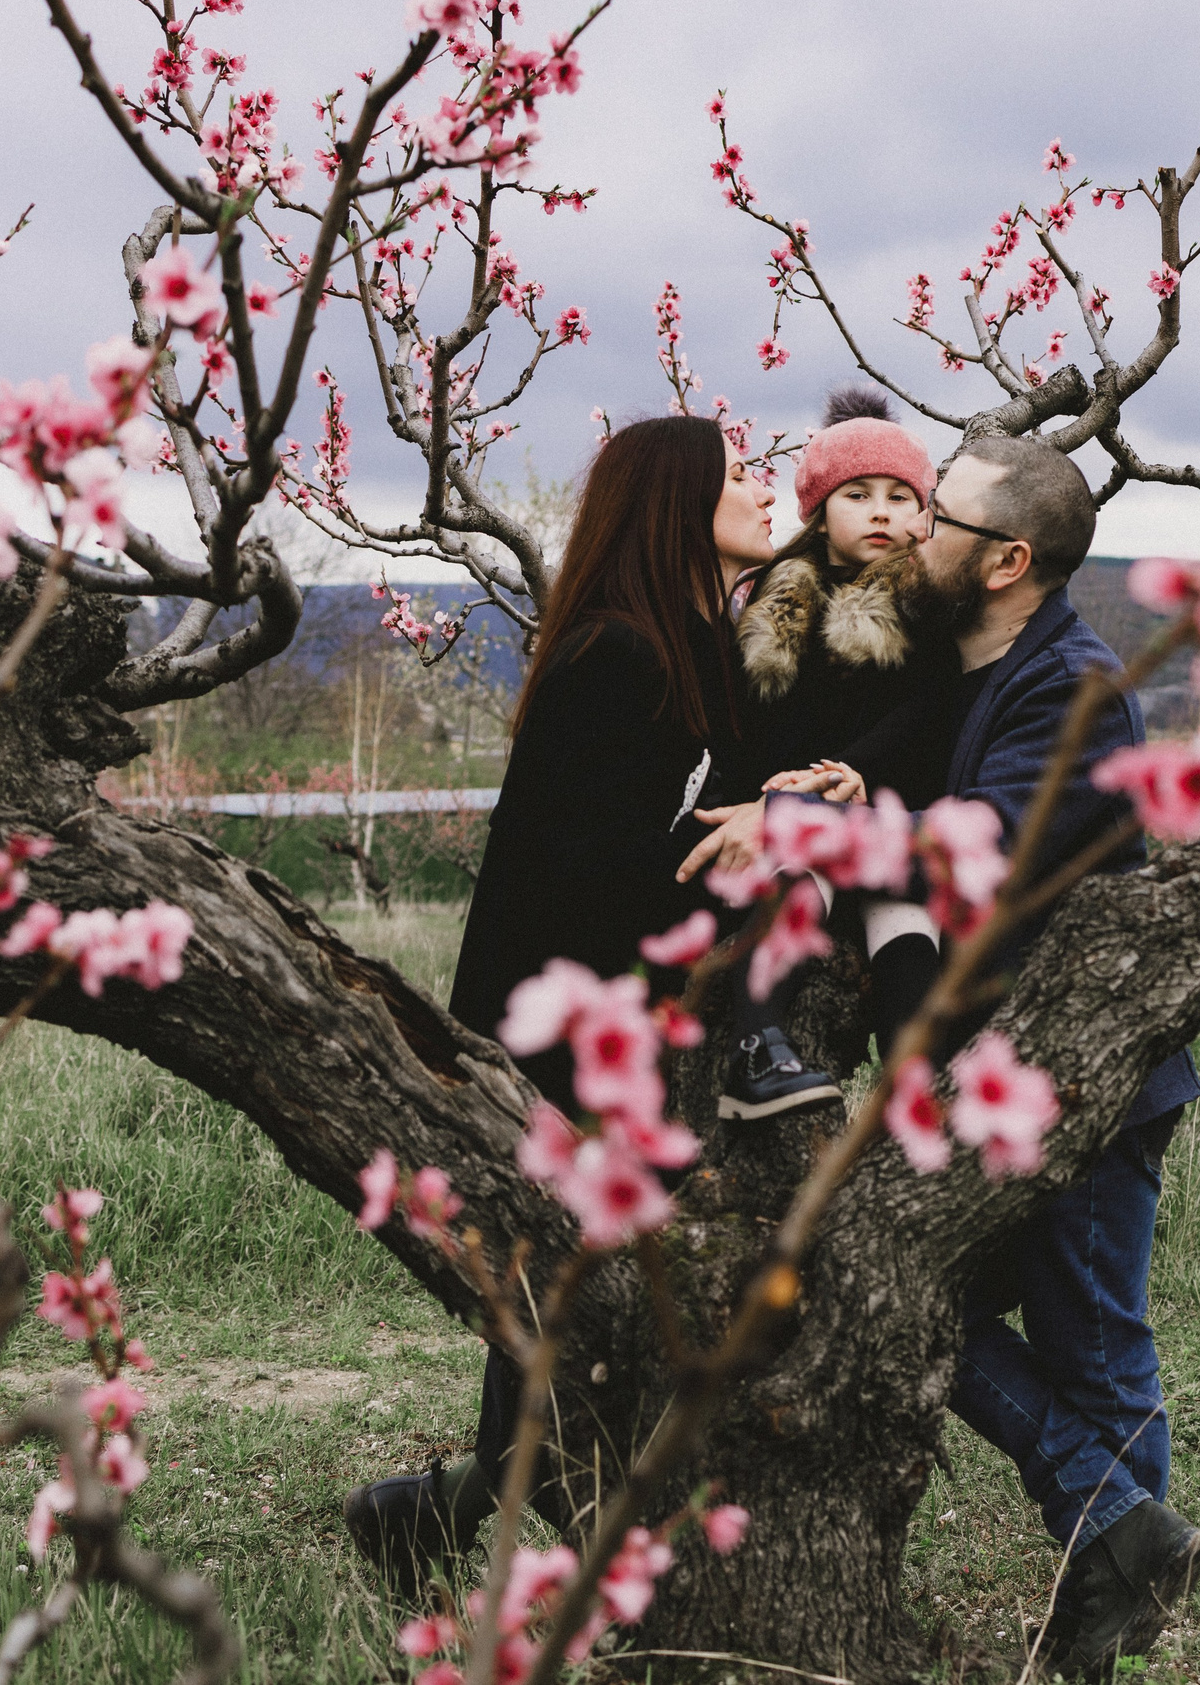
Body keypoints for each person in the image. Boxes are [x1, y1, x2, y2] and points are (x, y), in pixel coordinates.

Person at [342, 414, 799, 1593]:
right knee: (566, 1293)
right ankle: (458, 1515)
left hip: (626, 1031)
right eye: (739, 474)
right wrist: (731, 866)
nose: (766, 490)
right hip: (562, 1037)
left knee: (569, 1303)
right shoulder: (615, 658)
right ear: (676, 501)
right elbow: (586, 872)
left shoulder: (699, 650)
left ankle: (435, 1514)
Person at [918, 436, 1200, 1676]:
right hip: (1003, 1078)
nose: (914, 528)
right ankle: (1126, 1547)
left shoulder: (1075, 689)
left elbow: (980, 849)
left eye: (935, 514)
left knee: (1086, 1343)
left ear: (1005, 561)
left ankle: (1113, 1586)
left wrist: (819, 825)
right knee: (919, 1303)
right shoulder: (964, 664)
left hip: (1086, 1073)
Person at [694, 385, 962, 1102]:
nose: (880, 512)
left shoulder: (928, 599)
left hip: (882, 803)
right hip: (794, 807)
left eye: (900, 497)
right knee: (794, 887)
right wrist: (774, 790)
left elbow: (928, 709)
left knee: (904, 921)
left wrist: (860, 772)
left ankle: (913, 1086)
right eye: (857, 495)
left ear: (924, 512)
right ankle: (757, 1043)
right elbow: (757, 718)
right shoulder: (779, 596)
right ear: (818, 509)